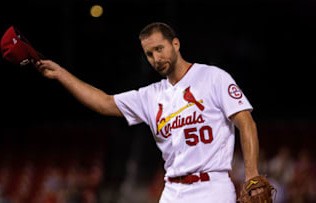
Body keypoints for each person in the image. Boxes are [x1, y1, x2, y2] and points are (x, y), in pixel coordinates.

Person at [34, 22, 264, 203]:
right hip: (173, 191)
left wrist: (252, 175)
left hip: (212, 187)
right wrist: (62, 74)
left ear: (175, 44)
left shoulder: (213, 77)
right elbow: (104, 102)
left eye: (159, 49)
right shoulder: (151, 95)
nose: (156, 58)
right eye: (149, 54)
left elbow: (246, 122)